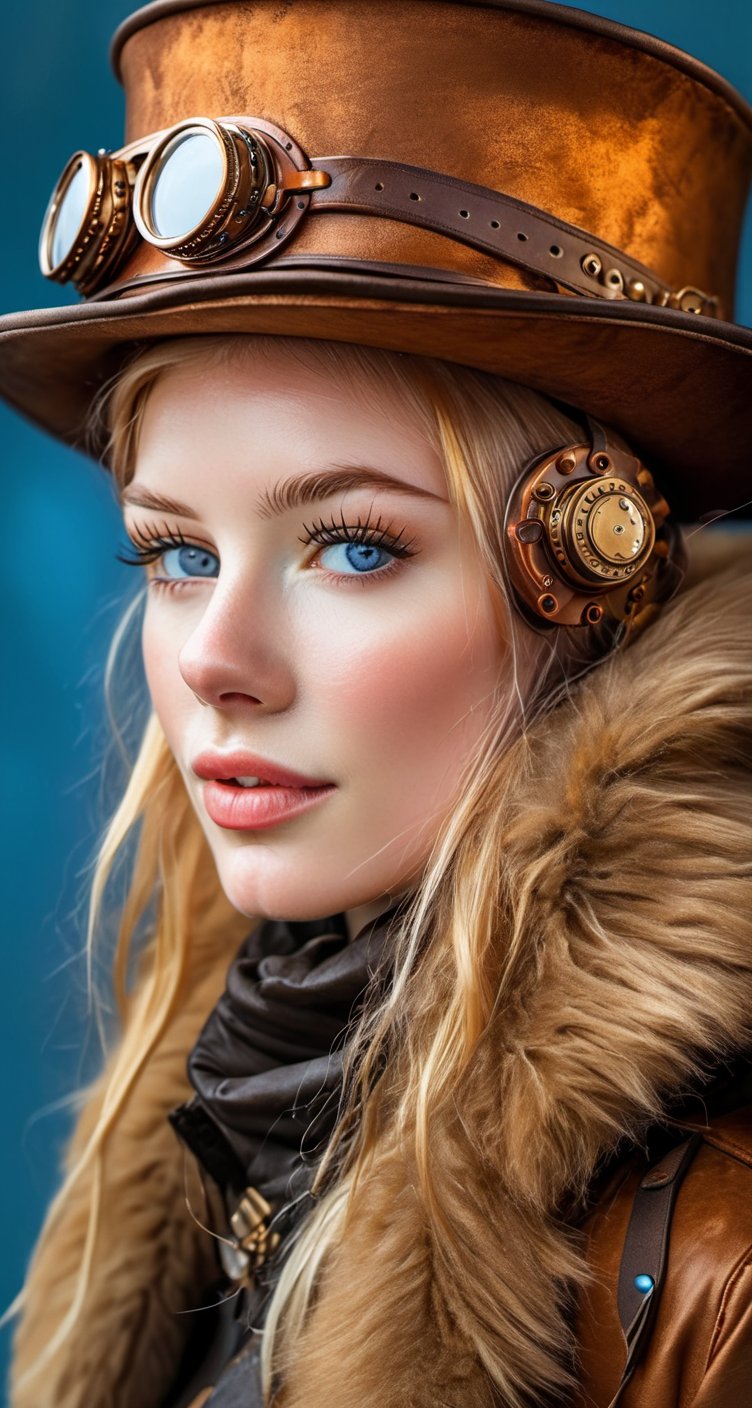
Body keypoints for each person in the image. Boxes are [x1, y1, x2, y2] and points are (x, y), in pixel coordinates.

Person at [1, 2, 751, 1406]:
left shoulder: (723, 1266)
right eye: (177, 553)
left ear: (596, 570)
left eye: (354, 547)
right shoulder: (214, 1104)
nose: (221, 659)